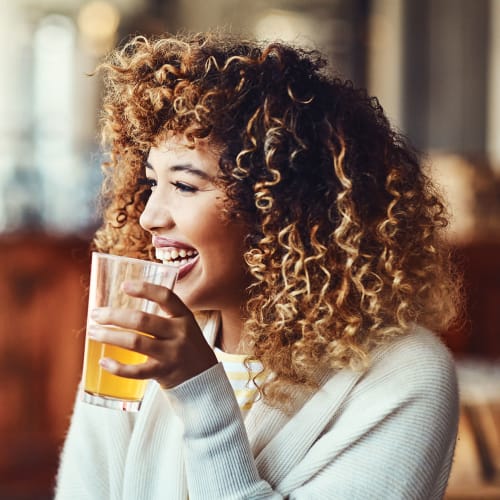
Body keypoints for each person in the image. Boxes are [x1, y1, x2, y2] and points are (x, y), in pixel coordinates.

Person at [55, 31, 461, 499]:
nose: (149, 217)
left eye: (185, 186)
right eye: (151, 184)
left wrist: (201, 394)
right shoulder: (141, 339)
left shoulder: (404, 376)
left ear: (280, 208)